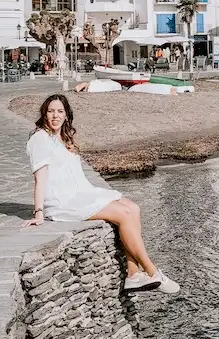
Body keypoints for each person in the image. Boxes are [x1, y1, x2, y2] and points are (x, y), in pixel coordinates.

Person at [23, 94, 179, 294]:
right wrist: (38, 212)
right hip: (63, 200)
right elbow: (40, 178)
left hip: (80, 193)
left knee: (133, 207)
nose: (55, 116)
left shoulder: (62, 138)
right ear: (44, 114)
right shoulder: (40, 139)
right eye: (51, 111)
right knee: (123, 214)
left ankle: (133, 274)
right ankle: (152, 271)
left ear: (66, 115)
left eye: (60, 111)